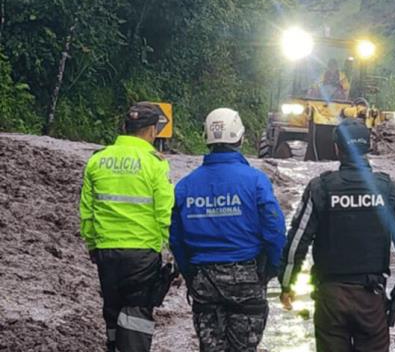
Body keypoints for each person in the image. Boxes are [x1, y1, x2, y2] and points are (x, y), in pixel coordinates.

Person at [279, 117, 395, 352]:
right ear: (368, 147)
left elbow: (298, 241)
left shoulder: (321, 188)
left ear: (337, 148)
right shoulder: (389, 189)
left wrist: (287, 285)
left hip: (330, 299)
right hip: (371, 299)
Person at [170, 108, 286, 352]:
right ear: (240, 138)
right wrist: (272, 268)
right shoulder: (256, 181)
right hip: (246, 278)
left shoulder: (185, 186)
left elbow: (176, 240)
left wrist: (192, 275)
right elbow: (274, 230)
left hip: (204, 282)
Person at [79, 102, 174, 352]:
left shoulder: (98, 160)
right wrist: (174, 252)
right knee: (136, 318)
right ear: (152, 131)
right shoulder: (155, 163)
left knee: (112, 310)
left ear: (125, 127)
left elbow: (87, 211)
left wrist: (92, 245)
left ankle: (113, 347)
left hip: (106, 252)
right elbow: (165, 214)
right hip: (142, 254)